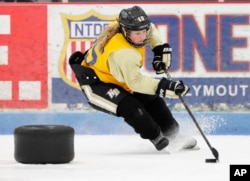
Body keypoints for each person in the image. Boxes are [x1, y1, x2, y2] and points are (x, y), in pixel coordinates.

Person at [69, 6, 189, 151]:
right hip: (95, 84)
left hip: (114, 76)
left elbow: (150, 28)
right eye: (137, 33)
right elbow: (136, 82)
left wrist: (158, 49)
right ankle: (156, 136)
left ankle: (173, 134)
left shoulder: (123, 27)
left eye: (144, 32)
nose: (142, 37)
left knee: (152, 99)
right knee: (131, 107)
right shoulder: (123, 53)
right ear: (125, 31)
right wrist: (164, 86)